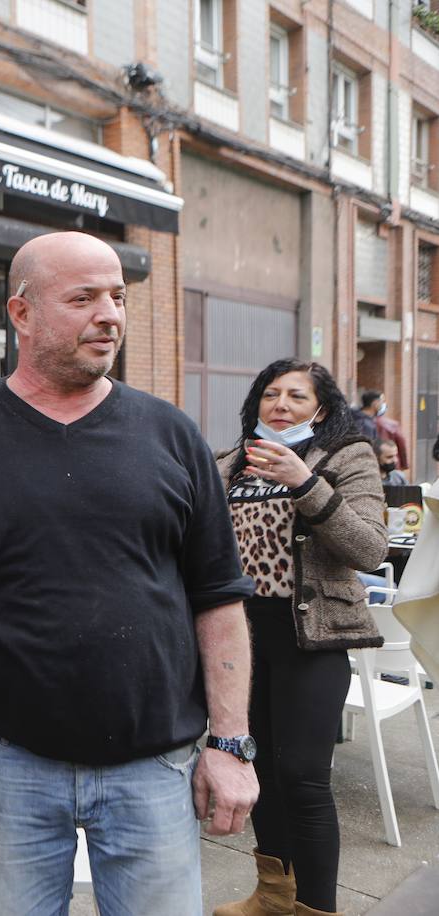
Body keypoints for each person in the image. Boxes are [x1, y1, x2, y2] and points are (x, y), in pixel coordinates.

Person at [0, 231, 258, 916]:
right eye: (83, 298)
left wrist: (230, 742)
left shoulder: (171, 434)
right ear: (21, 313)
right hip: (10, 763)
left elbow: (218, 598)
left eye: (118, 297)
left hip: (155, 766)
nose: (110, 315)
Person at [214, 359, 386, 916]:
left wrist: (306, 484)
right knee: (260, 770)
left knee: (304, 777)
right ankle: (273, 894)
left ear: (322, 407)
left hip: (312, 638)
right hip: (241, 644)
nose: (280, 404)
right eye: (269, 394)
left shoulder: (346, 456)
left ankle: (317, 908)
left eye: (295, 395)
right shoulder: (230, 463)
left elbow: (369, 548)